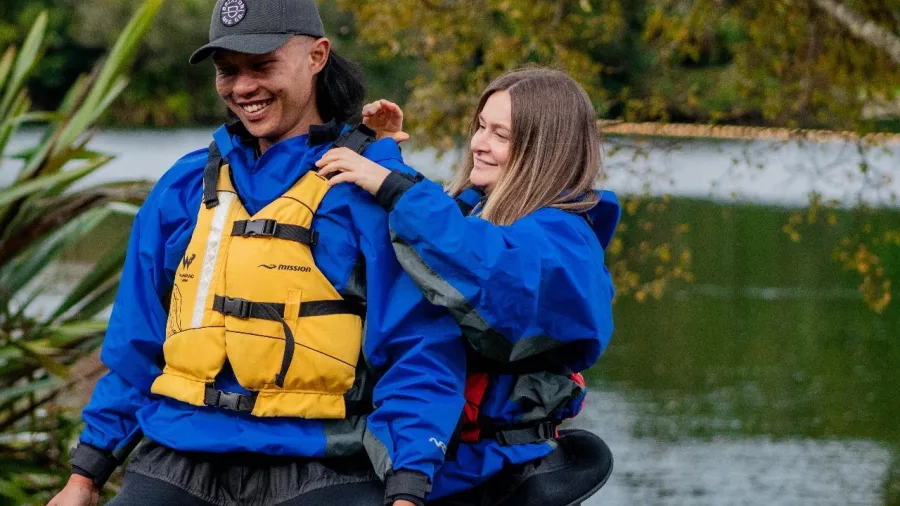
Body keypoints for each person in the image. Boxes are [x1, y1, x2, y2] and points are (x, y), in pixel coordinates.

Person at [47, 1, 465, 506]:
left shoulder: (368, 188)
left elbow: (419, 350)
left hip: (321, 463)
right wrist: (85, 475)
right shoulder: (183, 186)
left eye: (262, 66)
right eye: (228, 71)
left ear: (317, 55)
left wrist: (408, 488)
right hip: (180, 457)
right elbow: (136, 344)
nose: (242, 88)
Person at [316, 67, 621, 506]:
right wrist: (376, 150)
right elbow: (433, 227)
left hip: (501, 474)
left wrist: (389, 182)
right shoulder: (474, 213)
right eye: (480, 126)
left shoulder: (566, 241)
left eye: (502, 135)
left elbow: (483, 265)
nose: (479, 143)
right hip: (451, 464)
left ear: (544, 151)